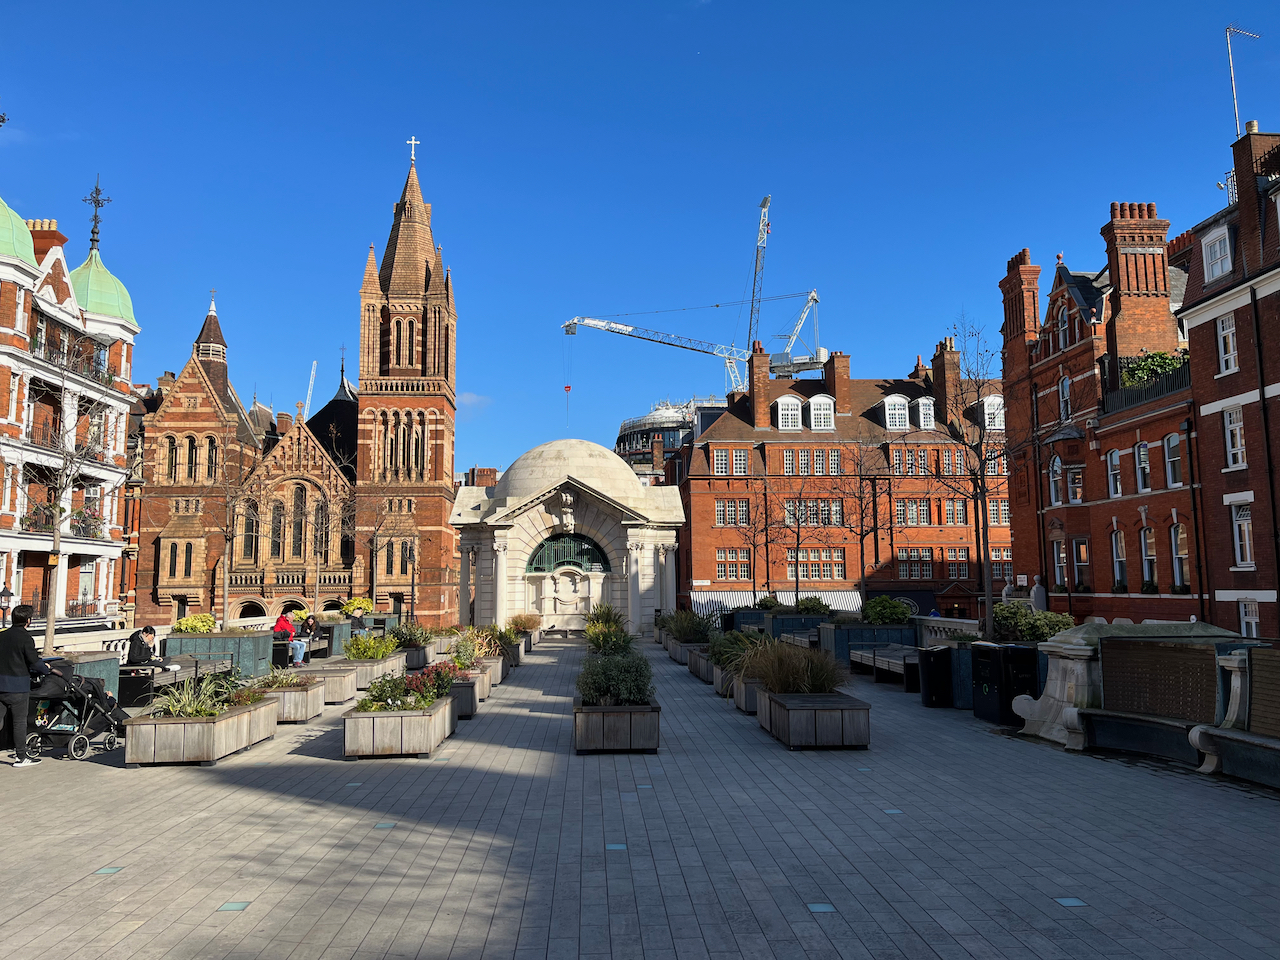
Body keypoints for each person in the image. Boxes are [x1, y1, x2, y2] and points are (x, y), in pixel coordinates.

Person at [0, 604, 61, 768]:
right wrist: (46, 669)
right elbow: (33, 661)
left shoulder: (2, 636)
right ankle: (21, 757)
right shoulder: (25, 638)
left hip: (1, 685)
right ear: (28, 620)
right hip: (18, 687)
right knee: (19, 722)